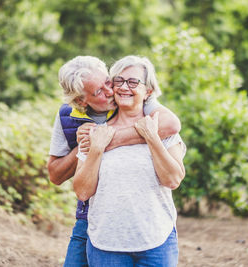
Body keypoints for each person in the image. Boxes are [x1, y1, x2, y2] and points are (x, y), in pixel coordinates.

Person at [47, 56, 181, 267]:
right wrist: (88, 143)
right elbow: (57, 175)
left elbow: (172, 124)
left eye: (108, 82)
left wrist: (112, 139)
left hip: (151, 231)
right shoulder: (69, 116)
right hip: (91, 218)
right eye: (99, 91)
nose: (111, 91)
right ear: (82, 101)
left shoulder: (143, 107)